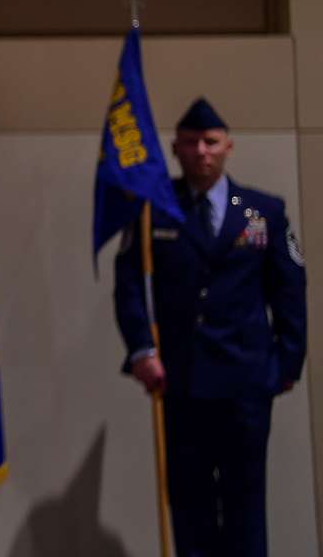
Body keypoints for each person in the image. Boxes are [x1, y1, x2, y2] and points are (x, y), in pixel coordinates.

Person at [113, 97, 307, 557]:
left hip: (246, 383)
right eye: (190, 142)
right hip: (182, 381)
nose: (201, 151)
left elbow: (289, 291)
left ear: (228, 147)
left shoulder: (262, 211)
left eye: (210, 142)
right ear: (176, 149)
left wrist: (286, 365)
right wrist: (142, 351)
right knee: (190, 505)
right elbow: (129, 288)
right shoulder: (151, 213)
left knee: (246, 505)